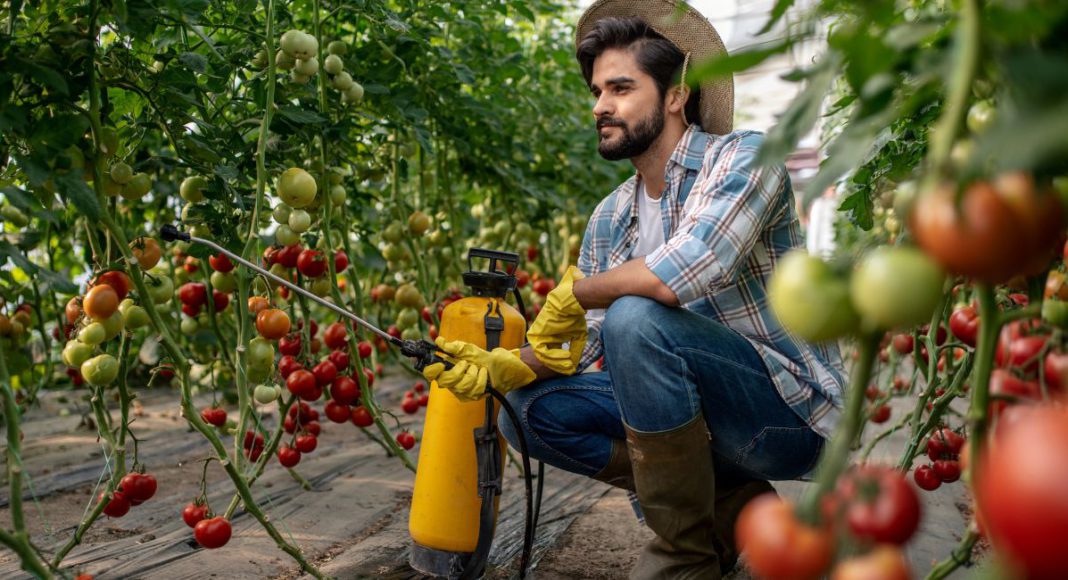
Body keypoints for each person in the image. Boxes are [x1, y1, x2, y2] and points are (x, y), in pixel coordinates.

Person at [423, 1, 847, 578]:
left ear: (675, 95)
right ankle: (725, 510)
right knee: (526, 412)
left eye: (621, 88)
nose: (601, 106)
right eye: (597, 92)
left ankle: (680, 560)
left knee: (636, 318)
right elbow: (591, 351)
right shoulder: (610, 216)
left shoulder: (745, 157)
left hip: (784, 418)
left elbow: (687, 269)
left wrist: (578, 292)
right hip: (698, 422)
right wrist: (502, 364)